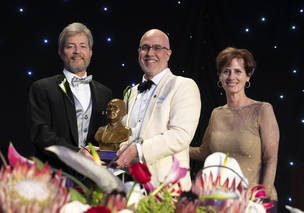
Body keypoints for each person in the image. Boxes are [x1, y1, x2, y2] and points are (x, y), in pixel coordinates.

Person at [189, 47, 279, 210]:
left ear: (247, 76)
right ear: (220, 77)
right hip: (222, 204)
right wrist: (173, 148)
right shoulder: (217, 113)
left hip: (255, 204)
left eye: (238, 71)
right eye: (226, 71)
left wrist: (261, 200)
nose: (231, 77)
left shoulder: (263, 109)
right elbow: (205, 152)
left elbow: (270, 159)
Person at [115, 29, 201, 191]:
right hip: (131, 186)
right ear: (138, 52)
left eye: (157, 48)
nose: (150, 53)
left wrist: (137, 150)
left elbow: (180, 135)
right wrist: (116, 147)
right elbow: (129, 133)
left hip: (168, 188)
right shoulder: (132, 92)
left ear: (168, 54)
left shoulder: (183, 85)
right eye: (145, 47)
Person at [28, 22, 112, 170]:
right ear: (61, 52)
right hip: (55, 174)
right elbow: (40, 134)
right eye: (70, 46)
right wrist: (76, 153)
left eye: (83, 46)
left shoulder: (105, 93)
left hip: (93, 177)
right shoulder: (42, 88)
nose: (77, 51)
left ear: (90, 52)